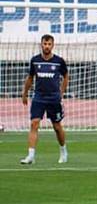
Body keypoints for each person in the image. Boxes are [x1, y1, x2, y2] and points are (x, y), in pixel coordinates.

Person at [19, 35, 69, 165]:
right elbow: (30, 78)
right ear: (41, 44)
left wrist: (61, 93)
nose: (47, 46)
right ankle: (30, 156)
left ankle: (63, 151)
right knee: (34, 123)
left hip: (54, 98)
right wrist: (24, 93)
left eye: (49, 44)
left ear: (53, 45)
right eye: (45, 44)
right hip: (39, 97)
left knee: (57, 127)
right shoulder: (35, 60)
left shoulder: (59, 61)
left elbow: (66, 76)